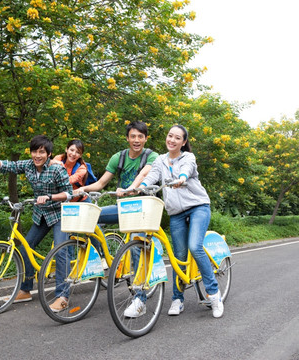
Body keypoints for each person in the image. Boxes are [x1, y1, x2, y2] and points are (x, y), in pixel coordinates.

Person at [124, 124, 224, 319]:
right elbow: (152, 176)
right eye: (170, 136)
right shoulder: (160, 160)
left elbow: (188, 169)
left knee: (194, 247)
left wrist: (182, 178)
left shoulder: (188, 157)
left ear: (184, 142)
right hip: (176, 212)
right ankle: (178, 298)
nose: (172, 140)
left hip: (198, 207)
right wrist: (140, 187)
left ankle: (214, 295)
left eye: (177, 138)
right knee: (178, 256)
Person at [0, 135, 73, 312]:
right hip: (41, 215)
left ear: (49, 154)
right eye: (35, 151)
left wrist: (50, 197)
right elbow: (6, 166)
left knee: (60, 251)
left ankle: (62, 296)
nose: (37, 155)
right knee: (25, 248)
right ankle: (25, 289)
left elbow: (69, 194)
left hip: (60, 214)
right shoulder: (28, 165)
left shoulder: (56, 170)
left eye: (42, 152)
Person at [76, 121, 158, 223]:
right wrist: (83, 188)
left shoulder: (152, 156)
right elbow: (101, 183)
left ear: (146, 138)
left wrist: (127, 190)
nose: (136, 140)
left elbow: (143, 174)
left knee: (138, 237)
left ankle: (152, 239)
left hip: (144, 207)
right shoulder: (118, 158)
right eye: (133, 136)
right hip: (123, 207)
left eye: (140, 137)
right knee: (90, 216)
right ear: (127, 138)